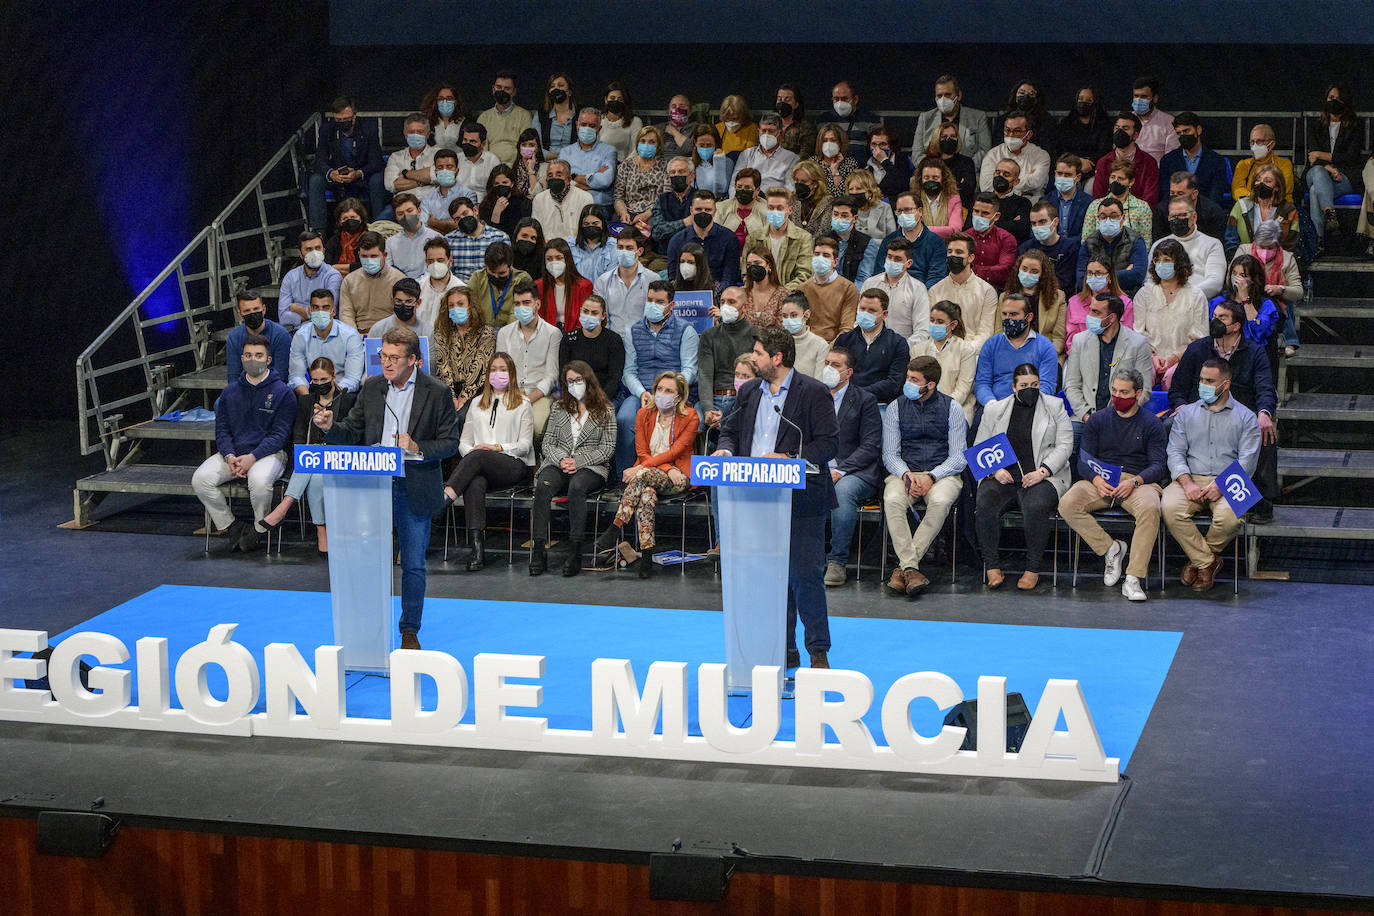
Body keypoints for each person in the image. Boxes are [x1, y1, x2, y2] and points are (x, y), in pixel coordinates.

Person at [315, 327, 460, 649]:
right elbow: (353, 431)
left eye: (394, 358)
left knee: (412, 562)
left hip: (414, 484)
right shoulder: (373, 388)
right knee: (364, 560)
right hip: (372, 487)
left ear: (414, 360)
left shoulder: (436, 391)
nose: (387, 363)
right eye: (383, 356)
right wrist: (330, 427)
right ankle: (366, 625)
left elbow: (451, 443)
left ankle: (409, 630)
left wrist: (417, 446)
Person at [714, 328, 839, 668]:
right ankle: (781, 650)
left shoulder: (812, 392)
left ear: (777, 358)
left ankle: (818, 651)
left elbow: (829, 444)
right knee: (767, 579)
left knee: (804, 577)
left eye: (757, 353)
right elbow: (730, 429)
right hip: (756, 499)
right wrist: (725, 449)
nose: (752, 358)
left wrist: (789, 456)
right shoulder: (751, 391)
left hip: (801, 501)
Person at [1057, 365, 1167, 602]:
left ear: (1138, 394)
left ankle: (1133, 578)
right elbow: (1083, 461)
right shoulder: (1097, 419)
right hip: (1102, 479)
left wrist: (1136, 482)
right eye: (1115, 391)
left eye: (1124, 393)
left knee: (1150, 508)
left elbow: (1159, 466)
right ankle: (1111, 549)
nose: (1118, 397)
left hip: (1138, 482)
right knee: (1067, 503)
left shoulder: (1151, 423)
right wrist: (1096, 480)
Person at [1170, 299, 1278, 521]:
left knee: (1265, 431)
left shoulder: (1255, 352)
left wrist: (1264, 412)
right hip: (1199, 411)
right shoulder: (1197, 349)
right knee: (1168, 425)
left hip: (1240, 416)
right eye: (1214, 317)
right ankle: (1172, 483)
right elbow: (1177, 389)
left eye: (1222, 318)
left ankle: (1261, 501)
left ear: (1236, 325)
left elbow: (1266, 387)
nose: (1215, 322)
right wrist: (1182, 407)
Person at [1162, 357, 1261, 591]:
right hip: (1190, 478)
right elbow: (1175, 452)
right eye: (1201, 379)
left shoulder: (1247, 417)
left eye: (1209, 381)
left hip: (1230, 479)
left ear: (1225, 385)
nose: (1203, 385)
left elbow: (1248, 460)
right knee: (1169, 508)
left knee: (1231, 518)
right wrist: (1187, 484)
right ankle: (1208, 562)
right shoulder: (1186, 414)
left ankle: (1198, 561)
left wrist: (1221, 485)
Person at [194, 333, 296, 553]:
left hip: (270, 454)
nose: (253, 359)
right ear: (241, 359)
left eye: (258, 355)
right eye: (248, 355)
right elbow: (222, 430)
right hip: (234, 455)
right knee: (200, 479)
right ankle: (231, 526)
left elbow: (280, 435)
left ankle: (261, 529)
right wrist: (230, 456)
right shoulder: (229, 392)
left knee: (259, 481)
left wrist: (252, 458)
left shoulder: (283, 393)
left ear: (268, 360)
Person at [974, 363, 1072, 590]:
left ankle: (1032, 568)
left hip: (1042, 476)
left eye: (1035, 384)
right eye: (1025, 385)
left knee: (1036, 505)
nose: (1031, 389)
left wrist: (1042, 471)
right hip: (1004, 476)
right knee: (985, 500)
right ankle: (992, 565)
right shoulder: (994, 410)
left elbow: (1065, 445)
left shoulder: (1055, 406)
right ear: (1014, 387)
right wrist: (995, 470)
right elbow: (980, 446)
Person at [594, 371, 699, 576]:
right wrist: (661, 468)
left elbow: (674, 452)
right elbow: (642, 452)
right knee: (646, 496)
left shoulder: (690, 417)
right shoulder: (643, 414)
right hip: (650, 474)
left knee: (641, 476)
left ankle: (615, 528)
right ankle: (647, 557)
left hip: (679, 477)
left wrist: (651, 468)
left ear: (678, 397)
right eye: (659, 389)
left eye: (668, 391)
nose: (662, 393)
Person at [881, 355, 967, 595]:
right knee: (892, 500)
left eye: (914, 379)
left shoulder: (953, 408)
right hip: (905, 472)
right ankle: (911, 568)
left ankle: (904, 567)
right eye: (907, 377)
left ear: (931, 385)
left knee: (940, 502)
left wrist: (932, 476)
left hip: (943, 474)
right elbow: (890, 455)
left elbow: (959, 457)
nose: (907, 383)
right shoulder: (895, 408)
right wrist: (906, 474)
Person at [443, 352, 535, 571]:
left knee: (479, 455)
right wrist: (474, 452)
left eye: (503, 369)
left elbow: (525, 445)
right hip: (481, 466)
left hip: (513, 464)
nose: (498, 374)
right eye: (493, 370)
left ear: (511, 374)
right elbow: (463, 442)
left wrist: (497, 448)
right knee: (474, 482)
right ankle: (477, 551)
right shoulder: (476, 403)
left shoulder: (523, 403)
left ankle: (445, 497)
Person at [261, 358, 358, 557]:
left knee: (313, 465)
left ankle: (285, 505)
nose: (320, 384)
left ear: (334, 377)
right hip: (312, 461)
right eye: (315, 380)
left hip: (340, 458)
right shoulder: (305, 402)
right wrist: (305, 452)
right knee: (315, 477)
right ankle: (322, 532)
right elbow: (298, 434)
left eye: (324, 379)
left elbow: (353, 434)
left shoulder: (348, 400)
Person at [530, 361, 617, 576]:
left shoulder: (606, 409)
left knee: (577, 487)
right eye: (569, 381)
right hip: (559, 462)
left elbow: (607, 448)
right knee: (543, 485)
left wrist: (578, 461)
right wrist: (562, 460)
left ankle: (575, 550)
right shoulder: (559, 407)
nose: (574, 384)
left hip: (591, 466)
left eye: (578, 380)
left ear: (588, 380)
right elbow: (548, 442)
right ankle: (538, 549)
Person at [815, 347, 882, 587]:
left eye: (836, 365)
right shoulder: (813, 396)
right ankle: (801, 557)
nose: (829, 369)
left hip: (855, 470)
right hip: (817, 466)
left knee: (841, 492)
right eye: (827, 363)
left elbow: (871, 445)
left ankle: (837, 562)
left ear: (849, 372)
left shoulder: (865, 400)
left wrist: (839, 471)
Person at [617, 280, 699, 471]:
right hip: (642, 392)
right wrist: (642, 393)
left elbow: (690, 370)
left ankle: (670, 472)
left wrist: (669, 392)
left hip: (674, 394)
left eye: (659, 302)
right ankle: (624, 477)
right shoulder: (634, 331)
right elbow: (629, 371)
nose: (653, 305)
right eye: (650, 300)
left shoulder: (686, 330)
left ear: (672, 305)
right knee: (625, 419)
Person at [1064, 294, 1153, 447]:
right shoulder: (1079, 341)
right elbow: (1071, 385)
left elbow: (1144, 389)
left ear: (1112, 318)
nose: (1090, 316)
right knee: (1069, 439)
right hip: (1085, 417)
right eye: (1091, 310)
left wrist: (1118, 416)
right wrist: (1087, 416)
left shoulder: (1138, 344)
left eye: (1096, 313)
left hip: (1123, 417)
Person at [1135, 240, 1207, 387]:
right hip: (1149, 356)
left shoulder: (1196, 295)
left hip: (1184, 359)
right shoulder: (1144, 293)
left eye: (1166, 260)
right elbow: (1138, 333)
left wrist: (1174, 358)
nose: (1161, 264)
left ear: (1179, 263)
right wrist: (1153, 357)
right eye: (1157, 260)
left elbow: (1200, 338)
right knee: (1143, 377)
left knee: (1171, 379)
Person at [494, 280, 561, 437]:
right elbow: (500, 370)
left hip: (539, 394)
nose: (521, 307)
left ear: (537, 304)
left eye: (526, 302)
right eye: (517, 303)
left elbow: (551, 375)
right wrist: (511, 397)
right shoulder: (504, 333)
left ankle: (535, 461)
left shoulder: (553, 333)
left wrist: (528, 400)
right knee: (499, 423)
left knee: (535, 426)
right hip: (510, 392)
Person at [309, 97, 386, 231]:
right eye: (339, 120)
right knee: (316, 180)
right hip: (337, 175)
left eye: (346, 119)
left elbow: (376, 161)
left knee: (377, 179)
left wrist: (358, 173)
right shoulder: (327, 130)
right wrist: (331, 173)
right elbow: (319, 160)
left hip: (361, 175)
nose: (343, 122)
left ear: (354, 115)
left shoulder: (368, 129)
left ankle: (379, 227)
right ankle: (319, 231)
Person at [431, 286, 497, 429]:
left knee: (460, 417)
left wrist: (463, 397)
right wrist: (452, 397)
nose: (456, 308)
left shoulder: (486, 333)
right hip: (447, 388)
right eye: (451, 305)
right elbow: (443, 365)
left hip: (477, 389)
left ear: (470, 306)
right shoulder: (441, 332)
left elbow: (480, 367)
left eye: (460, 304)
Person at [974, 293, 1058, 406]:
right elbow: (982, 383)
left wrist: (1025, 406)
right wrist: (991, 404)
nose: (1008, 319)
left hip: (1031, 406)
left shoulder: (1045, 347)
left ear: (1029, 317)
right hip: (994, 405)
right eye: (1004, 314)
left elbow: (1047, 386)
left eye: (1013, 314)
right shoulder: (991, 344)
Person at [1233, 221, 1303, 356]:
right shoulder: (1244, 250)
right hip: (1247, 294)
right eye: (1261, 247)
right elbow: (1232, 277)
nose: (1265, 251)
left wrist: (1280, 289)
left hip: (1272, 299)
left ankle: (1290, 341)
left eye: (1270, 247)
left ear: (1278, 245)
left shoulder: (1288, 259)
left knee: (1280, 303)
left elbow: (1298, 292)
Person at [697, 285, 756, 440]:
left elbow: (760, 378)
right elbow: (705, 375)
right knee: (694, 420)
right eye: (722, 302)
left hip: (744, 399)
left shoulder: (758, 335)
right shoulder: (708, 336)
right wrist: (708, 409)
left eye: (731, 302)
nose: (725, 306)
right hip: (715, 397)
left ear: (746, 306)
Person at [831, 288, 909, 405]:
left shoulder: (897, 343)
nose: (865, 313)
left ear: (885, 314)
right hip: (846, 402)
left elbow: (895, 383)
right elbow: (837, 375)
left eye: (872, 310)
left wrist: (860, 394)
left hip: (880, 403)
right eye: (862, 309)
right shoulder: (844, 340)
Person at [1306, 85, 1363, 242]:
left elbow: (1351, 157)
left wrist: (1322, 156)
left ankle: (1318, 241)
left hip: (1343, 177)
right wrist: (1329, 167)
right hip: (1318, 171)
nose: (1334, 101)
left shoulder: (1355, 126)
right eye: (1331, 97)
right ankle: (1330, 214)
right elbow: (1312, 157)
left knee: (1313, 191)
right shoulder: (1316, 126)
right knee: (1318, 172)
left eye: (1338, 98)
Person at [910, 300, 978, 421]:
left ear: (953, 325)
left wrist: (941, 408)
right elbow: (913, 384)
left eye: (940, 322)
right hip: (921, 409)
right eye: (932, 320)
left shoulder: (966, 350)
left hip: (956, 409)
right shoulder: (918, 349)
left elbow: (963, 389)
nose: (934, 324)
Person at [287, 289, 364, 395]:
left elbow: (352, 379)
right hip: (312, 391)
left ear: (334, 311)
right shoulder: (301, 335)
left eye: (325, 307)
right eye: (316, 307)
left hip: (342, 393)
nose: (320, 312)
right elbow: (296, 375)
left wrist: (331, 399)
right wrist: (308, 399)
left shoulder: (350, 336)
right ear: (310, 311)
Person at [928, 233, 1000, 343]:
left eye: (959, 252)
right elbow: (930, 330)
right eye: (950, 251)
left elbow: (985, 332)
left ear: (970, 258)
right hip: (941, 350)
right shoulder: (934, 290)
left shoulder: (987, 291)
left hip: (973, 352)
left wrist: (964, 351)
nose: (953, 256)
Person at [912, 74, 992, 171]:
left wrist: (963, 169)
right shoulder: (925, 118)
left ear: (959, 95)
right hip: (934, 175)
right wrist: (936, 171)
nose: (943, 99)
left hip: (967, 175)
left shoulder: (978, 117)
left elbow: (985, 151)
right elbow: (917, 155)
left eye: (948, 95)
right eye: (939, 96)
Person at [1150, 197, 1225, 298]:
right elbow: (1149, 279)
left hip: (1198, 301)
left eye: (1182, 215)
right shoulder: (1158, 245)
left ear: (1194, 217)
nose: (1177, 220)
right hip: (1162, 300)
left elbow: (1215, 283)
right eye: (1173, 216)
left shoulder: (1213, 244)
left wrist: (1183, 296)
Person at [743, 187, 815, 290]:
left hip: (790, 297)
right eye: (771, 208)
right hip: (759, 294)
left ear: (789, 210)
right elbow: (746, 273)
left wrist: (780, 294)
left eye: (779, 208)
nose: (774, 212)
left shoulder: (803, 238)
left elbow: (804, 275)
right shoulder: (753, 237)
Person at [666, 191, 743, 288]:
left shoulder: (729, 238)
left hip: (718, 294)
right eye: (698, 209)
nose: (703, 213)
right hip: (686, 294)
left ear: (715, 211)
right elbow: (673, 278)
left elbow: (729, 277)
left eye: (708, 210)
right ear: (691, 210)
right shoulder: (677, 240)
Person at [861, 238, 929, 343]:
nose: (892, 261)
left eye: (897, 259)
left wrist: (900, 349)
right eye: (889, 257)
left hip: (903, 351)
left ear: (909, 263)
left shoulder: (918, 289)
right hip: (868, 347)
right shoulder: (870, 283)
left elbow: (922, 332)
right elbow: (859, 321)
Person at [559, 293, 625, 401]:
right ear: (580, 311)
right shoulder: (568, 338)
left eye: (594, 313)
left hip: (604, 397)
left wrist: (599, 401)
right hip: (574, 395)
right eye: (585, 311)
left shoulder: (613, 339)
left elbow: (614, 378)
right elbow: (563, 374)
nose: (589, 315)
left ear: (603, 316)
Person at [592, 227, 658, 334]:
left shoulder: (653, 279)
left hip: (643, 341)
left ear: (640, 251)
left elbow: (655, 317)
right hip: (613, 342)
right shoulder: (602, 281)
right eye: (620, 247)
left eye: (629, 248)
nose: (623, 252)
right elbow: (601, 318)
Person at [1076, 197, 1148, 296]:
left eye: (1113, 216)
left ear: (1123, 218)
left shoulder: (1135, 240)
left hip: (1127, 297)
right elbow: (1080, 280)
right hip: (1095, 298)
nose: (1108, 220)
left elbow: (1138, 275)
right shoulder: (1089, 242)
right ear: (1098, 219)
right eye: (1103, 216)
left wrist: (1098, 279)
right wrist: (1124, 273)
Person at [1003, 249, 1066, 358]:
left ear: (1043, 274)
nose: (1028, 274)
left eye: (1034, 271)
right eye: (1024, 269)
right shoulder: (1005, 297)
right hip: (1011, 354)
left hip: (1044, 354)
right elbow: (999, 333)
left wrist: (1042, 356)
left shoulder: (1057, 297)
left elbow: (1058, 338)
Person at [1157, 112, 1229, 207]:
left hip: (1207, 216)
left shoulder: (1216, 161)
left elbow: (1215, 197)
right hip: (1176, 214)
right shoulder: (1168, 161)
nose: (1182, 136)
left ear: (1198, 130)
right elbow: (1166, 195)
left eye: (1186, 131)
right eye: (1179, 133)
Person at [880, 190, 949, 288]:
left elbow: (936, 277)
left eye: (907, 210)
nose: (903, 214)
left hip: (923, 295)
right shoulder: (888, 240)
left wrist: (919, 296)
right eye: (899, 211)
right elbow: (879, 273)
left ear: (920, 211)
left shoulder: (936, 242)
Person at [1212, 253, 1281, 352]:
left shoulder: (1266, 305)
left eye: (1243, 275)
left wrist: (1245, 299)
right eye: (1234, 273)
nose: (1236, 278)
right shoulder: (1219, 301)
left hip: (1252, 356)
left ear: (1253, 280)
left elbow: (1259, 331)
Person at [1226, 166, 1300, 257]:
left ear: (1277, 187)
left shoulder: (1289, 210)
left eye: (1267, 181)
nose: (1261, 184)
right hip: (1245, 262)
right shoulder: (1241, 206)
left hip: (1278, 263)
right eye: (1258, 180)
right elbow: (1231, 240)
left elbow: (1291, 244)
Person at [278, 231, 343, 332]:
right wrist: (312, 314)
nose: (314, 253)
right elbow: (283, 317)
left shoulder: (333, 276)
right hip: (296, 333)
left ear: (324, 251)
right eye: (309, 249)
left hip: (325, 332)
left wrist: (297, 308)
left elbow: (326, 314)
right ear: (300, 254)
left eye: (318, 248)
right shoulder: (290, 277)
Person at [800, 235, 860, 343]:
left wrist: (828, 349)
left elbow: (846, 329)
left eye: (826, 255)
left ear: (835, 262)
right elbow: (800, 325)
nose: (820, 258)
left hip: (834, 348)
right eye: (817, 254)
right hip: (807, 345)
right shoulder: (803, 288)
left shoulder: (849, 289)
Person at [1066, 258, 1136, 351]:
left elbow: (1127, 337)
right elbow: (1071, 341)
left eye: (1098, 273)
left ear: (1109, 276)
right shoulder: (1074, 302)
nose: (1093, 277)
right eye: (1090, 273)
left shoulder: (1125, 303)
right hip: (1081, 355)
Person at [1092, 112, 1160, 206]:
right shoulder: (1103, 162)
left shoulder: (1149, 163)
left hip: (1138, 215)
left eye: (1125, 128)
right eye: (1117, 128)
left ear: (1136, 135)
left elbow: (1150, 198)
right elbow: (1098, 196)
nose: (1119, 132)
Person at [1082, 160, 1153, 248]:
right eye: (1112, 177)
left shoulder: (1142, 208)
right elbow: (1086, 239)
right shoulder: (1095, 205)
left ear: (1131, 182)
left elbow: (1146, 242)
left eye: (1120, 178)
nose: (1115, 181)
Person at [614, 124, 669, 237]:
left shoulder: (665, 166)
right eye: (642, 141)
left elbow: (665, 199)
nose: (646, 145)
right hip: (628, 212)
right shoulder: (626, 165)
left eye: (651, 142)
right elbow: (618, 197)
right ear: (637, 144)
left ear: (658, 146)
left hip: (653, 213)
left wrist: (646, 215)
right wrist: (623, 213)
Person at [980, 113, 1050, 202]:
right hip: (998, 204)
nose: (1011, 135)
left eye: (1017, 131)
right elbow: (986, 187)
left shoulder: (1041, 155)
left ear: (1028, 134)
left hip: (1032, 206)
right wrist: (1026, 178)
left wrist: (1002, 185)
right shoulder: (993, 154)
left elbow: (1036, 183)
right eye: (1007, 130)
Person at [227, 289, 291, 385]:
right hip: (245, 390)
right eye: (247, 311)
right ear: (240, 314)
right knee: (220, 400)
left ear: (264, 309)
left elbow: (281, 377)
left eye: (256, 309)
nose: (252, 313)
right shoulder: (234, 337)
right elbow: (233, 378)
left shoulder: (281, 335)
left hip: (273, 390)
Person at [558, 108, 617, 210]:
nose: (587, 128)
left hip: (599, 206)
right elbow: (560, 182)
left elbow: (605, 180)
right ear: (577, 125)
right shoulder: (565, 152)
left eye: (592, 126)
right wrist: (594, 178)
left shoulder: (609, 151)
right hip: (571, 204)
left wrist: (573, 177)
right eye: (583, 124)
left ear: (599, 129)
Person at [466, 241, 532, 330]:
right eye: (492, 272)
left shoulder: (523, 279)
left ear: (511, 266)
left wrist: (504, 335)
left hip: (512, 333)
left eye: (501, 273)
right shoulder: (478, 277)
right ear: (486, 266)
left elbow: (518, 314)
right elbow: (469, 307)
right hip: (481, 333)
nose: (496, 276)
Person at [444, 196, 509, 283]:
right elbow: (447, 273)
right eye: (458, 219)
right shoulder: (449, 240)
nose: (463, 219)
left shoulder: (500, 238)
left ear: (475, 210)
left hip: (490, 289)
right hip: (460, 291)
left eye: (465, 213)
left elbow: (505, 271)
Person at [1020, 200, 1080, 294]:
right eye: (1034, 223)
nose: (1037, 227)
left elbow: (1064, 284)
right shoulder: (1025, 248)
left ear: (1055, 222)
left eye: (1042, 222)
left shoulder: (1070, 248)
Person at [1152, 171, 1227, 244]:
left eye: (1180, 194)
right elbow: (1158, 244)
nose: (1174, 198)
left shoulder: (1213, 212)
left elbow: (1215, 242)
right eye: (1172, 193)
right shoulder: (1160, 211)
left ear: (1194, 194)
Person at [1055, 88, 1111, 184]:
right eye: (1080, 99)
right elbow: (1061, 148)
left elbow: (1104, 150)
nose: (1083, 103)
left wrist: (1090, 162)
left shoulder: (1104, 126)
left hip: (1094, 169)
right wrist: (1077, 161)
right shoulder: (1066, 124)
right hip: (1069, 167)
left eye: (1088, 100)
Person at [536, 237, 592, 331]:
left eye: (558, 258)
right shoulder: (538, 286)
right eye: (549, 259)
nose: (554, 262)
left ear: (567, 259)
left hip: (575, 335)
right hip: (547, 334)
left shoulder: (584, 286)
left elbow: (584, 319)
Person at [478, 71, 533, 166]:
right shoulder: (484, 117)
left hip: (516, 166)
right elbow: (482, 148)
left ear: (514, 91)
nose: (502, 91)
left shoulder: (524, 115)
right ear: (493, 89)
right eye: (499, 87)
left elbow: (526, 146)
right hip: (490, 167)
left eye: (507, 88)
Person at [735, 114, 800, 193]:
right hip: (748, 199)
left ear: (780, 133)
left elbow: (790, 188)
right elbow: (734, 182)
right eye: (763, 130)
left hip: (776, 201)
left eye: (771, 131)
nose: (766, 134)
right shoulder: (746, 154)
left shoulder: (792, 158)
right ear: (758, 131)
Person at [531, 159, 593, 242]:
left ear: (568, 179)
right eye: (550, 175)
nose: (554, 178)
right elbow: (536, 230)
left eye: (559, 175)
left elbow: (587, 231)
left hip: (576, 248)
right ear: (546, 180)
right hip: (548, 249)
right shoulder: (539, 199)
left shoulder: (585, 198)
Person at [420, 148, 479, 235]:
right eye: (440, 167)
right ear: (435, 171)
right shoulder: (427, 198)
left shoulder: (468, 194)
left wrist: (436, 223)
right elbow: (423, 228)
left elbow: (469, 224)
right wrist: (451, 225)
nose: (444, 170)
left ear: (456, 171)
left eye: (449, 167)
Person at [384, 113, 438, 208]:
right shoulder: (395, 157)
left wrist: (406, 175)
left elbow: (437, 176)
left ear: (428, 134)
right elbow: (391, 185)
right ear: (405, 134)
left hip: (432, 205)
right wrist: (423, 180)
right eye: (411, 132)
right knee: (381, 220)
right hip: (402, 206)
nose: (416, 135)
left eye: (420, 132)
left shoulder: (438, 154)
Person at [1231, 124, 1295, 204]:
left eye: (1259, 141)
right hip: (1250, 206)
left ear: (1271, 145)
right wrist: (1255, 198)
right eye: (1252, 142)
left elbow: (1283, 189)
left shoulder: (1285, 164)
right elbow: (1237, 190)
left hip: (1279, 207)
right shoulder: (1243, 165)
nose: (1254, 146)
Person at [965, 193, 1017, 288]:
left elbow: (1004, 271)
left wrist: (972, 270)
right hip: (967, 286)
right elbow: (960, 265)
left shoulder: (1006, 239)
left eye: (985, 213)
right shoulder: (965, 236)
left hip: (996, 288)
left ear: (996, 216)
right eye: (976, 211)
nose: (979, 216)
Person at [827, 196, 880, 285]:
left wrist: (850, 296)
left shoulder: (867, 243)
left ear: (854, 218)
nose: (839, 219)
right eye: (835, 214)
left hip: (851, 292)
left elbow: (863, 278)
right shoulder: (822, 240)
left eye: (844, 215)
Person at [927, 121, 978, 208]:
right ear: (937, 140)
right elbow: (927, 190)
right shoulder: (928, 163)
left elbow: (967, 190)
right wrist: (956, 185)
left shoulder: (967, 162)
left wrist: (940, 187)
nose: (949, 139)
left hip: (961, 209)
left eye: (953, 136)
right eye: (944, 137)